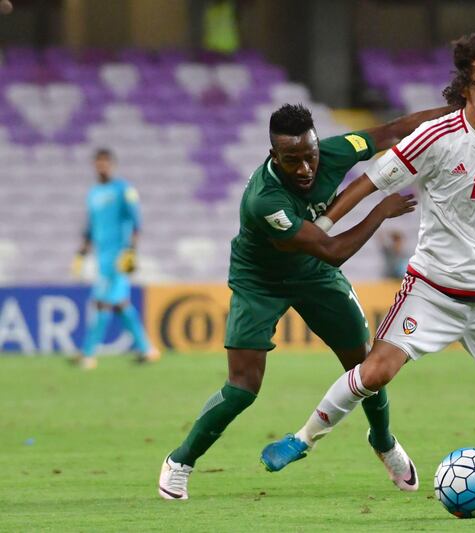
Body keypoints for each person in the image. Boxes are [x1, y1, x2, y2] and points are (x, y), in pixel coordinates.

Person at [262, 27, 475, 490]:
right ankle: (302, 439)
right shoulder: (435, 137)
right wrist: (324, 227)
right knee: (374, 372)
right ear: (466, 88)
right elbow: (369, 181)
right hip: (433, 289)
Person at [158, 103, 452, 500]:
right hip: (261, 280)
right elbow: (331, 250)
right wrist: (379, 212)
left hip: (312, 273)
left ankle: (384, 443)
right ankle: (180, 461)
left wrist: (459, 111)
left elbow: (394, 130)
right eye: (291, 160)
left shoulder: (334, 151)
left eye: (309, 156)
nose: (304, 169)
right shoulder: (265, 200)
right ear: (272, 156)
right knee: (243, 387)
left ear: (317, 146)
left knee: (364, 365)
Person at [71, 148, 160, 370]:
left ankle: (88, 354)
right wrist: (82, 251)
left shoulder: (124, 190)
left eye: (105, 163)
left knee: (101, 302)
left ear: (112, 165)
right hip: (102, 256)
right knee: (120, 304)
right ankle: (147, 350)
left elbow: (136, 221)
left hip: (119, 256)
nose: (101, 167)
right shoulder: (92, 193)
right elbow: (91, 226)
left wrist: (131, 251)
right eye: (98, 163)